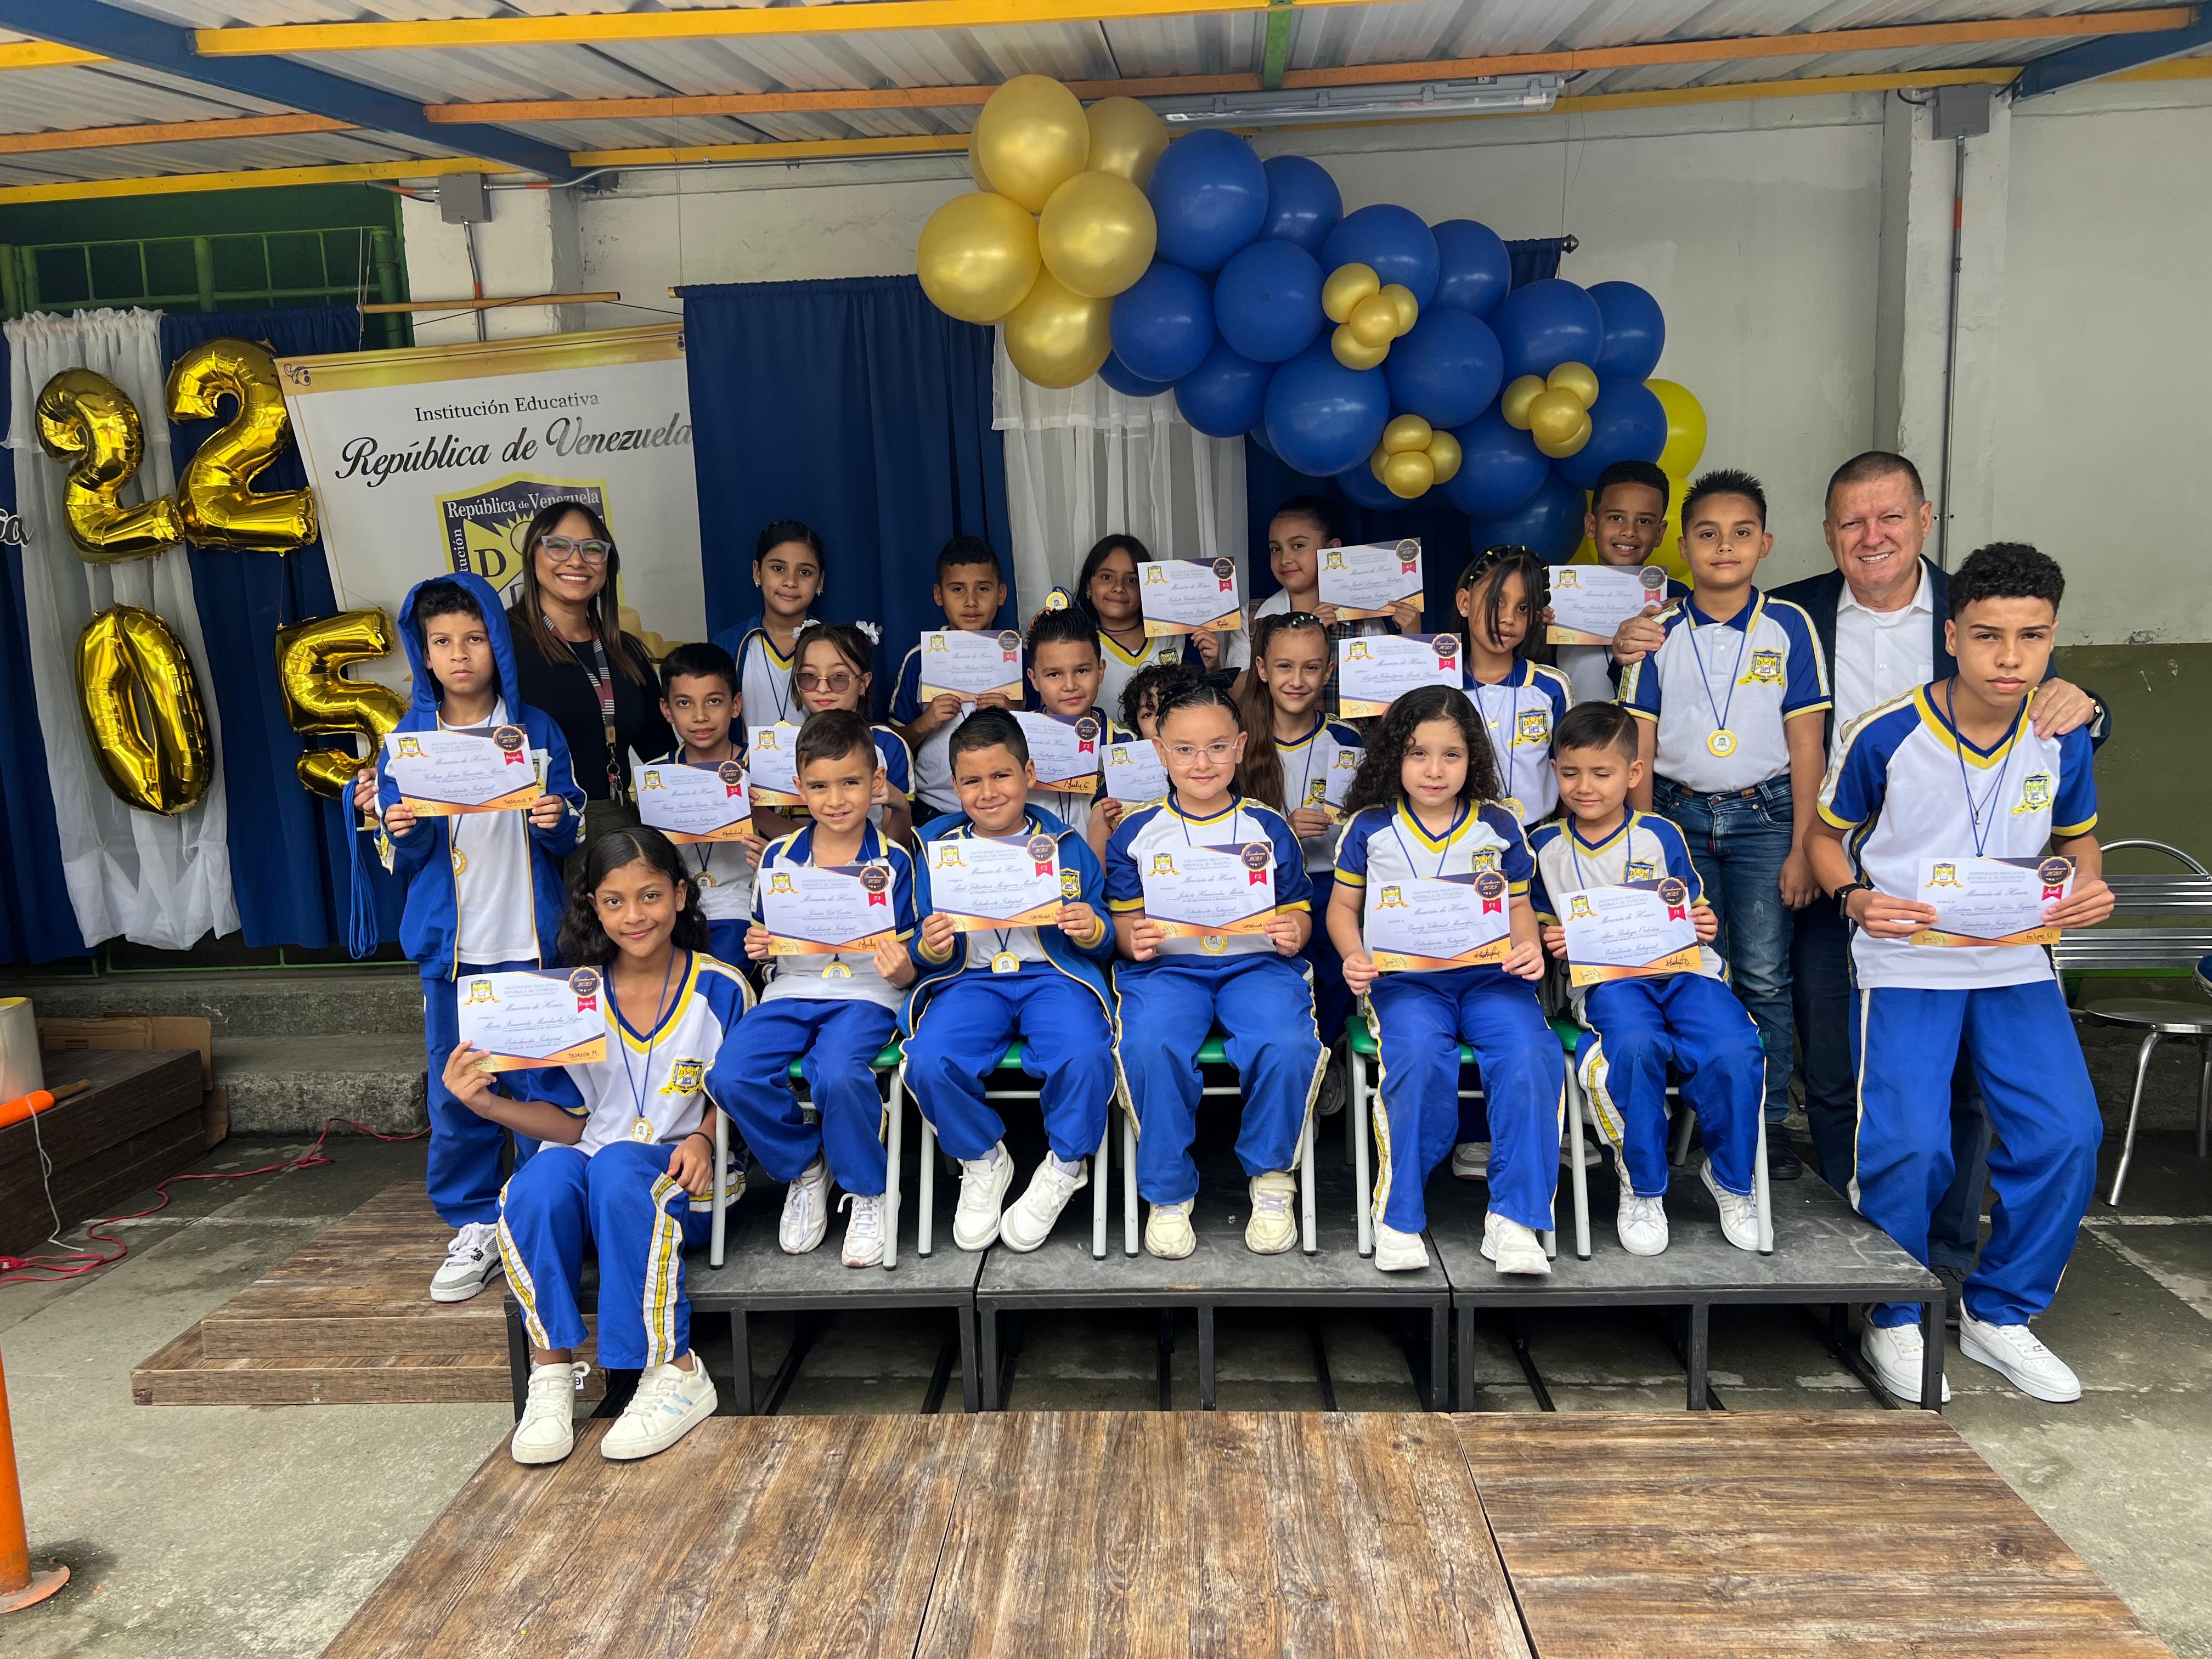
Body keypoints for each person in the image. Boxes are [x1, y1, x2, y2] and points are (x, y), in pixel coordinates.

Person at [1771, 453, 2107, 1276]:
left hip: (2005, 941)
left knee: (2016, 1116)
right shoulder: (1792, 613)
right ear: (1828, 533)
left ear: (1925, 520)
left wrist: (2087, 878)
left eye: (1891, 516)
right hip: (1872, 897)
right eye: (1852, 521)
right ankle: (1880, 1279)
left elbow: (2074, 810)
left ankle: (1962, 1272)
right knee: (1859, 1094)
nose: (1872, 535)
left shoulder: (1988, 614)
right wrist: (1843, 885)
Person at [1808, 542, 2113, 1404]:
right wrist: (1856, 898)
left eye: (2032, 637)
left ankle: (2000, 1310)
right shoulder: (1887, 734)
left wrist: (2087, 886)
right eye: (1988, 636)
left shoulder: (2061, 735)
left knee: (2067, 1134)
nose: (2010, 658)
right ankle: (1896, 1314)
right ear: (1951, 637)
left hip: (2017, 959)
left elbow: (2079, 841)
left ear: (2053, 638)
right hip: (1909, 960)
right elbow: (1826, 840)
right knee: (1908, 1144)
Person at [444, 827, 748, 1465]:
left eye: (650, 896)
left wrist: (703, 1135)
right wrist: (486, 1105)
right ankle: (552, 1373)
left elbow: (741, 1091)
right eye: (614, 901)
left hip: (683, 1180)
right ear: (594, 907)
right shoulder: (570, 997)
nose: (634, 915)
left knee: (616, 1167)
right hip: (598, 1177)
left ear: (680, 895)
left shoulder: (722, 987)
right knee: (538, 1181)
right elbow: (571, 1127)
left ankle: (675, 1369)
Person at [354, 573, 584, 1302]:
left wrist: (557, 820)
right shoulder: (406, 743)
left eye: (475, 638)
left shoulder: (536, 729)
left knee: (548, 1081)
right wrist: (400, 829)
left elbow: (571, 823)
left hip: (532, 942)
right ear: (423, 654)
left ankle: (548, 1211)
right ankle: (478, 1221)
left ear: (498, 647)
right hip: (453, 953)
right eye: (443, 642)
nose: (460, 655)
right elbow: (403, 857)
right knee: (460, 1092)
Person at [1617, 470, 1827, 1174]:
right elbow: (1640, 746)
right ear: (1683, 547)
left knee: (1765, 974)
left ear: (1766, 543)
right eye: (1707, 534)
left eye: (1742, 532)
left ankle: (1765, 1123)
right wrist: (1644, 847)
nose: (1725, 546)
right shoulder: (1658, 633)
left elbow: (1808, 744)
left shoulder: (1789, 626)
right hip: (1678, 817)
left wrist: (1805, 845)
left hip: (1768, 818)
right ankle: (1706, 1118)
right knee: (1695, 968)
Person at [1329, 686, 1562, 1277]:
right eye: (1418, 753)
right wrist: (1354, 955)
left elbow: (1518, 907)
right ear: (1394, 757)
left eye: (1451, 755)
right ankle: (1400, 1215)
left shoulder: (1500, 825)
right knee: (1415, 1056)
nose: (1434, 770)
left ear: (1472, 757)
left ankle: (1514, 1219)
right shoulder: (1369, 828)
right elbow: (1341, 909)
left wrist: (1529, 946)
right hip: (1406, 985)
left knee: (1531, 1053)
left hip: (1491, 981)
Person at [1528, 703, 1764, 1256]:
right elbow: (1533, 922)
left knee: (1734, 1047)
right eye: (1571, 773)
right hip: (1608, 984)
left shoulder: (1660, 833)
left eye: (1602, 773)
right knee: (1636, 1046)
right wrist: (1549, 937)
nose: (1585, 787)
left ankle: (1733, 1181)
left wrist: (1703, 922)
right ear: (1555, 770)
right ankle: (1643, 1185)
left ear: (1634, 773)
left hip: (1685, 972)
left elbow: (1693, 907)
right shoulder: (1543, 846)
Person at [1104, 680, 1324, 1260]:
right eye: (1184, 749)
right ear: (1160, 751)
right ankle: (1168, 1191)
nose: (1201, 763)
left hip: (1256, 965)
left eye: (1217, 747)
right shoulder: (1137, 831)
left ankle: (1272, 1177)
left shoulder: (1267, 826)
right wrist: (1134, 938)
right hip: (1169, 971)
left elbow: (1299, 910)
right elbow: (1124, 924)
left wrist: (1293, 931)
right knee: (1149, 1045)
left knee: (1286, 1043)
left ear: (1240, 746)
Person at [904, 710, 1118, 1251]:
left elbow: (1104, 937)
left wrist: (1092, 929)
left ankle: (1066, 1165)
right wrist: (930, 946)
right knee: (928, 1058)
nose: (988, 792)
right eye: (971, 781)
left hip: (1053, 976)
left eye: (1001, 775)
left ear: (1029, 773)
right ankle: (982, 1158)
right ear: (955, 786)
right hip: (970, 981)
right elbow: (920, 950)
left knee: (1085, 1052)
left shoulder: (1065, 843)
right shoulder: (934, 848)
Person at [729, 710, 920, 1268]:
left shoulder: (895, 860)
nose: (835, 800)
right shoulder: (779, 857)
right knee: (732, 1073)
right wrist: (762, 948)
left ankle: (868, 1189)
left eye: (851, 783)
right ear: (799, 787)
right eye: (819, 787)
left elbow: (910, 963)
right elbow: (765, 939)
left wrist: (903, 971)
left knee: (836, 1072)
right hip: (792, 991)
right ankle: (807, 1167)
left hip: (867, 995)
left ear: (876, 782)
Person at [504, 501, 673, 858]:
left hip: (615, 827)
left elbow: (661, 756)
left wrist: (720, 796)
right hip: (530, 834)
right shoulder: (500, 647)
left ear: (608, 565)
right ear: (532, 555)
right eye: (558, 546)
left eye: (593, 549)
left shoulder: (627, 652)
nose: (577, 561)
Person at [1236, 610, 1363, 1075]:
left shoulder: (1346, 737)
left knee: (1342, 964)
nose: (1297, 680)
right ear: (1262, 668)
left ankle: (1326, 1062)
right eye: (1284, 667)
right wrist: (1283, 830)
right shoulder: (1239, 740)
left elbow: (1364, 821)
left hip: (1332, 882)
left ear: (1328, 672)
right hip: (1264, 888)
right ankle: (1287, 1064)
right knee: (1275, 977)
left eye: (1311, 668)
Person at [750, 623, 915, 851]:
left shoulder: (888, 745)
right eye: (809, 677)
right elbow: (804, 838)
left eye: (839, 677)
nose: (822, 688)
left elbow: (897, 848)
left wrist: (900, 805)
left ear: (864, 683)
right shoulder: (780, 747)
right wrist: (755, 816)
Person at [890, 537, 1018, 820]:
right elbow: (893, 744)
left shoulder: (1019, 658)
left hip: (1004, 804)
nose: (971, 602)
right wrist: (925, 723)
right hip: (934, 808)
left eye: (983, 589)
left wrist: (1015, 714)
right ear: (939, 595)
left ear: (1001, 594)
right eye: (958, 589)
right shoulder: (919, 660)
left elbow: (1046, 734)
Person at [1255, 496, 1419, 716]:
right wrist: (1310, 631)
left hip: (1350, 736)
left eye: (1298, 546)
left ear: (1332, 549)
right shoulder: (1254, 616)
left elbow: (1390, 701)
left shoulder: (1362, 620)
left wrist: (1412, 637)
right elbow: (1239, 697)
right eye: (1276, 549)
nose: (1285, 559)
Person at [642, 641, 751, 964]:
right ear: (667, 710)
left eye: (714, 701)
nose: (700, 716)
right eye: (685, 704)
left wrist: (754, 810)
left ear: (736, 705)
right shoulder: (655, 775)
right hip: (675, 906)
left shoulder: (759, 768)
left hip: (742, 902)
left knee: (721, 964)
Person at [1455, 545, 1574, 828]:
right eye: (1496, 601)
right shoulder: (1442, 689)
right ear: (1465, 602)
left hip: (1538, 838)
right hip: (1460, 840)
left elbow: (1571, 772)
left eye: (1523, 608)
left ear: (1534, 617)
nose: (1509, 618)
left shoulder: (1551, 687)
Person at [1556, 460, 1688, 707]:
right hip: (1573, 726)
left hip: (1647, 725)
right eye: (1616, 518)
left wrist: (1685, 622)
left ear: (1660, 533)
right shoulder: (1557, 594)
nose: (1629, 531)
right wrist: (1536, 628)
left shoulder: (1677, 597)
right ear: (1592, 526)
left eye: (1645, 521)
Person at [1079, 533, 1246, 715]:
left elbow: (1206, 707)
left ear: (1147, 587)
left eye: (1132, 580)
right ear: (1088, 587)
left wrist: (1213, 666)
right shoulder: (1078, 645)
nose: (1119, 588)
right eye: (1107, 577)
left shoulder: (1181, 638)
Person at [1022, 604, 1131, 853]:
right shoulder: (1015, 739)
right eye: (1054, 675)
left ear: (1100, 671)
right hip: (1034, 866)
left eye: (1082, 670)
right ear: (1034, 679)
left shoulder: (1126, 743)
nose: (1070, 685)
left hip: (1102, 870)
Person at [711, 520, 827, 732]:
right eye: (778, 568)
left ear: (820, 581)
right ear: (757, 572)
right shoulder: (729, 646)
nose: (790, 582)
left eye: (804, 572)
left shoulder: (835, 647)